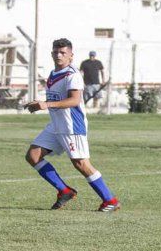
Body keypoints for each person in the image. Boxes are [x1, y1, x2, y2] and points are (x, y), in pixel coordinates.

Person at [24, 39, 120, 212]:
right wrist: (40, 104)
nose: (59, 55)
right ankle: (65, 191)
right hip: (56, 125)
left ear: (71, 55)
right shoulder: (54, 73)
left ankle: (110, 200)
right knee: (33, 155)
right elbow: (56, 99)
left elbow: (74, 100)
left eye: (63, 52)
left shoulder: (72, 75)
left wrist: (47, 105)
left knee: (81, 163)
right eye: (56, 52)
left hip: (71, 126)